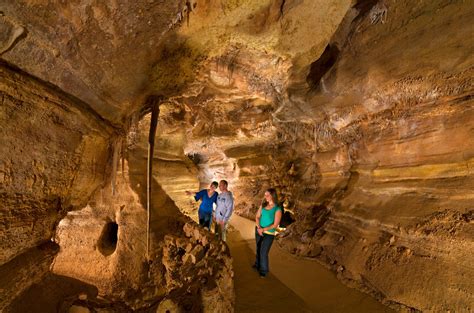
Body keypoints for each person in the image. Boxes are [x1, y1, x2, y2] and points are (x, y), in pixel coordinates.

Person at [254, 188, 282, 277]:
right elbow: (257, 217)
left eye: (267, 195)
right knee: (258, 248)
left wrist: (263, 230)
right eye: (265, 195)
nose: (265, 196)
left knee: (263, 251)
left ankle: (264, 270)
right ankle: (257, 264)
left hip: (269, 233)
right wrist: (259, 228)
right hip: (258, 229)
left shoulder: (277, 209)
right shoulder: (263, 205)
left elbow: (275, 225)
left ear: (272, 196)